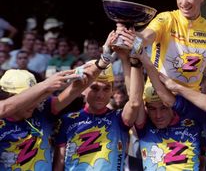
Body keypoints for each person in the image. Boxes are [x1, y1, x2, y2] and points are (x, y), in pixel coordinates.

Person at [53, 31, 141, 171]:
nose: (100, 95)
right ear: (82, 89)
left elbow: (135, 102)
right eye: (94, 88)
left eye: (106, 89)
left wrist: (126, 59)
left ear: (112, 91)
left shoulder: (119, 118)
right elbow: (59, 163)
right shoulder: (67, 120)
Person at [129, 46, 206, 171]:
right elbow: (134, 99)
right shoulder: (144, 126)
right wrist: (133, 62)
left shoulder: (192, 117)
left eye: (163, 108)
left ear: (171, 105)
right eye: (152, 109)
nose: (158, 115)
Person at [0, 68, 86, 170]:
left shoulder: (43, 109)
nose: (33, 103)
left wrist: (100, 64)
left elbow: (75, 90)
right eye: (25, 98)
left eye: (35, 96)